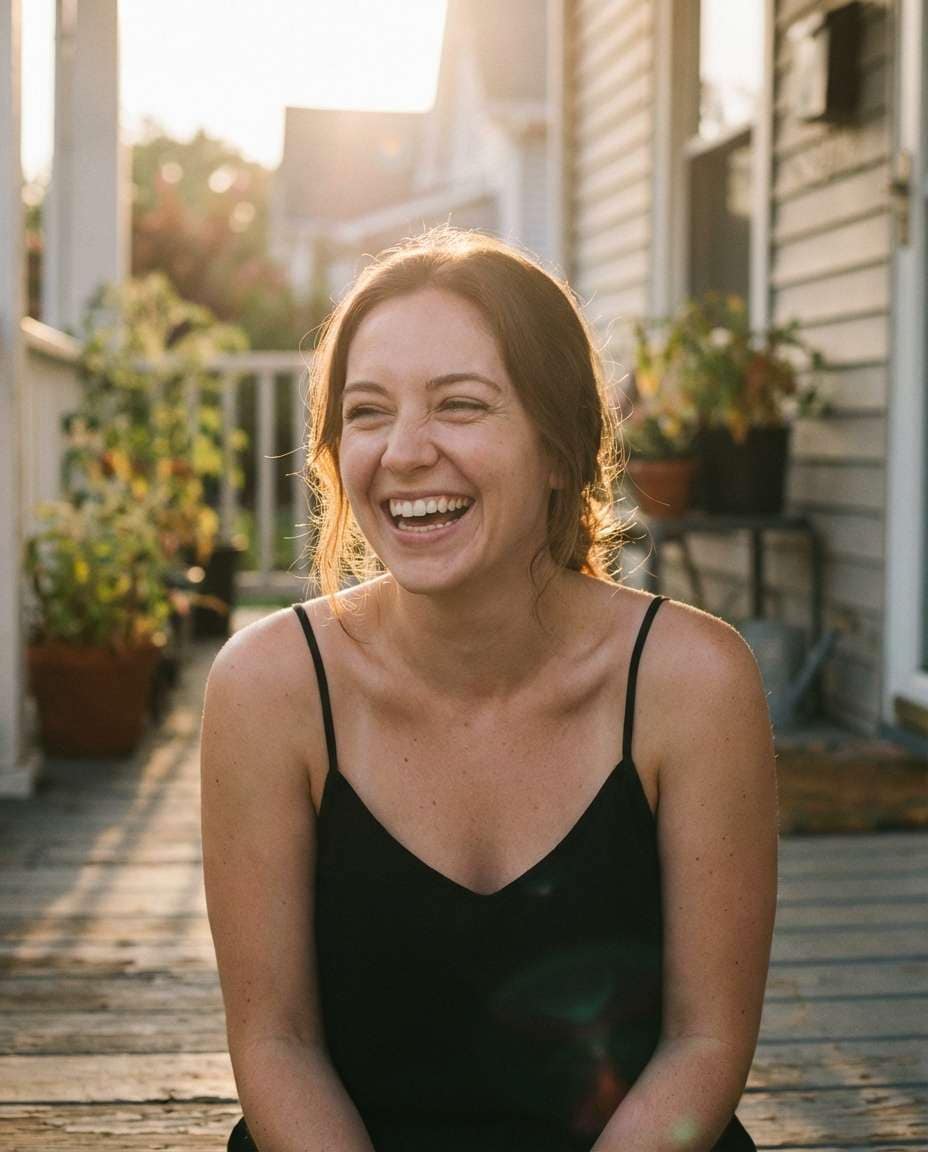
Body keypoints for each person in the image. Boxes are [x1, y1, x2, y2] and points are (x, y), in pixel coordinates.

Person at [201, 227, 778, 1152]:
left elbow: (703, 1041)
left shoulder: (692, 680)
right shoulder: (270, 687)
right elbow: (277, 1042)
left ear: (559, 447)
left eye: (460, 406)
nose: (405, 451)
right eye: (368, 412)